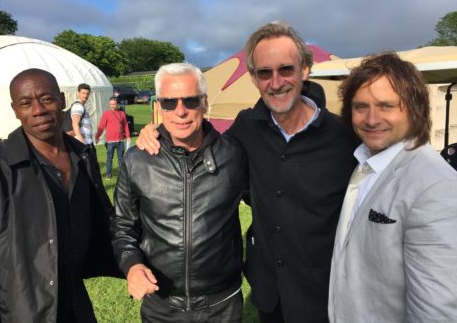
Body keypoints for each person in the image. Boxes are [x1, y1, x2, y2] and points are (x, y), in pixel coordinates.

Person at [136, 21, 358, 322]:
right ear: (253, 77)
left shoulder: (344, 137)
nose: (276, 82)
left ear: (305, 69)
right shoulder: (246, 128)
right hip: (270, 293)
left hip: (326, 291)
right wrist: (158, 131)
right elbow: (202, 138)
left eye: (286, 69)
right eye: (264, 72)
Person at [0, 68, 120, 322]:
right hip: (20, 312)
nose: (38, 110)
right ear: (15, 110)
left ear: (62, 101)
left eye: (46, 99)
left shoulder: (82, 157)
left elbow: (106, 224)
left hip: (76, 308)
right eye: (26, 103)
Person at [110, 63, 248, 322]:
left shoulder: (235, 154)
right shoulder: (137, 159)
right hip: (161, 305)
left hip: (222, 305)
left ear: (205, 103)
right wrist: (131, 265)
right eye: (170, 103)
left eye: (191, 101)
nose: (181, 112)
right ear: (159, 106)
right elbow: (122, 225)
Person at [329, 52, 457, 322]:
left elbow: (436, 312)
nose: (371, 119)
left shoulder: (435, 187)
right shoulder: (366, 161)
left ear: (414, 109)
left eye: (386, 106)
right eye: (361, 106)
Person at [95, 97, 131, 179]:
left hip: (120, 141)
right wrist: (97, 137)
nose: (112, 106)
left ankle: (123, 175)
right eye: (111, 104)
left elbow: (126, 126)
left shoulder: (122, 114)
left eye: (114, 104)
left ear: (117, 104)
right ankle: (109, 174)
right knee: (109, 159)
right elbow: (101, 126)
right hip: (110, 142)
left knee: (121, 159)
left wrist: (128, 138)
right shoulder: (106, 114)